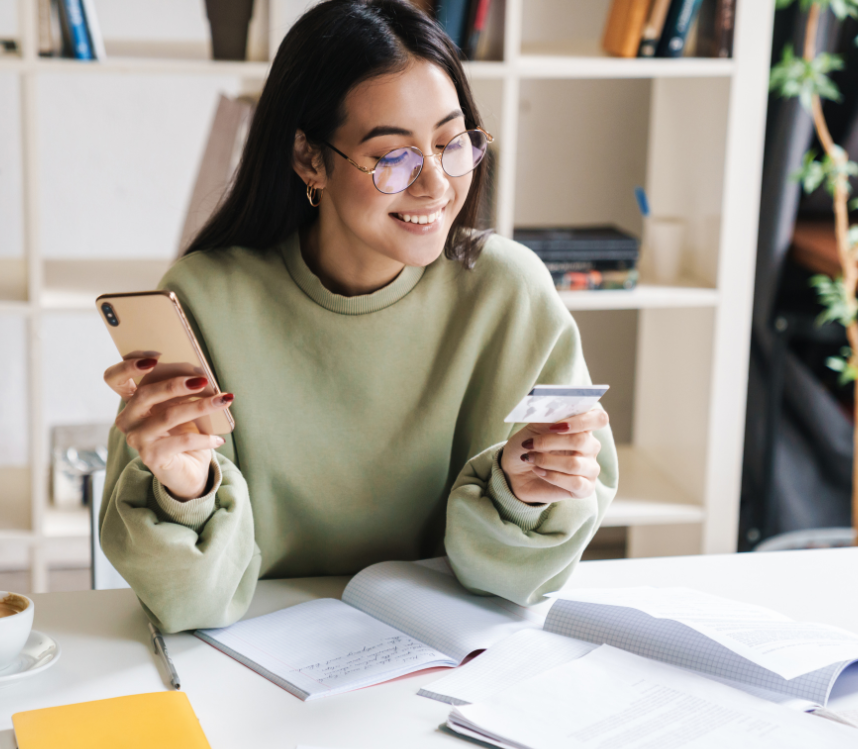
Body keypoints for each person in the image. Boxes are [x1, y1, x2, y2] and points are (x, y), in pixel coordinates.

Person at [99, 0, 618, 633]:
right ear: (309, 159)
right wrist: (185, 488)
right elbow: (191, 605)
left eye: (453, 144)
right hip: (254, 657)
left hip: (447, 654)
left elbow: (513, 587)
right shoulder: (206, 298)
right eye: (393, 157)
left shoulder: (509, 293)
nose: (435, 185)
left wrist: (526, 494)